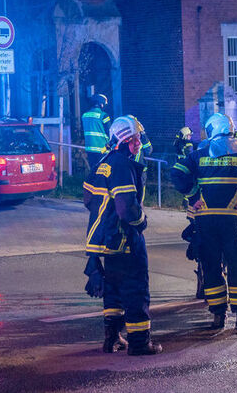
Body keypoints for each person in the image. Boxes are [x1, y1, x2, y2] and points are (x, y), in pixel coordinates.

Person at [171, 113, 237, 330]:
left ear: (212, 130)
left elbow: (177, 174)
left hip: (205, 220)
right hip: (232, 220)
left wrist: (194, 196)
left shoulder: (199, 154)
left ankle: (218, 316)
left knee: (211, 265)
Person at [82, 115, 162, 356]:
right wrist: (141, 222)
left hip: (105, 241)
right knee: (136, 289)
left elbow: (88, 200)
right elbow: (126, 206)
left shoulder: (103, 163)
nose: (139, 144)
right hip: (126, 239)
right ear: (126, 140)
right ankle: (139, 343)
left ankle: (112, 338)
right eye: (136, 139)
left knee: (114, 289)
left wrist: (106, 218)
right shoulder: (123, 166)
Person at [172, 126, 205, 299]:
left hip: (194, 203)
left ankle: (202, 284)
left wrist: (191, 195)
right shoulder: (192, 152)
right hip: (199, 204)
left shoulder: (187, 149)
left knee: (199, 241)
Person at [82, 94, 111, 170]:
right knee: (103, 173)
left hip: (89, 149)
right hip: (102, 149)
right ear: (101, 104)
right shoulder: (104, 116)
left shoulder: (85, 115)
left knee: (94, 172)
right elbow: (110, 132)